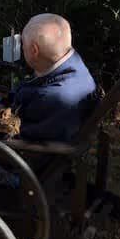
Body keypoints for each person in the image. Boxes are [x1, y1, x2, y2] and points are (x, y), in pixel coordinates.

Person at [14, 13, 97, 142]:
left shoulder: (53, 97)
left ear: (34, 50)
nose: (22, 47)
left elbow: (18, 134)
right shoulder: (70, 65)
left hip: (21, 155)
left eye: (22, 43)